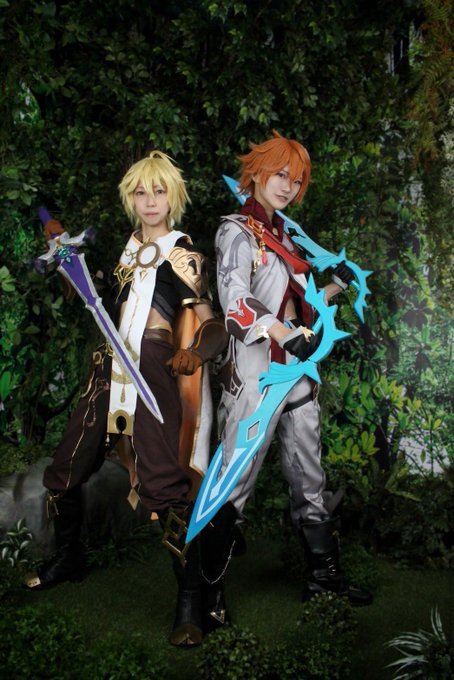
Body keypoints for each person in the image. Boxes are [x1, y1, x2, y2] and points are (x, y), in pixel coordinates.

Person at [24, 151, 228, 648]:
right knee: (65, 469)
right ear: (130, 199)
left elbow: (215, 325)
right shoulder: (127, 252)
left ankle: (189, 600)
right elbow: (99, 303)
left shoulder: (183, 253)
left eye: (159, 191)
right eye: (141, 192)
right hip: (107, 372)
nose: (150, 201)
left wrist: (195, 354)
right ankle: (69, 557)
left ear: (173, 197)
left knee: (168, 489)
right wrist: (68, 267)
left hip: (154, 373)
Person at [201, 131, 371, 631]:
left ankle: (323, 577)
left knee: (309, 478)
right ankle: (208, 593)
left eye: (295, 181)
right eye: (280, 175)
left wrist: (335, 285)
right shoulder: (235, 231)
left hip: (297, 375)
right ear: (256, 173)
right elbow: (234, 299)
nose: (288, 187)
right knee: (234, 482)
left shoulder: (288, 238)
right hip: (256, 378)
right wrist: (280, 333)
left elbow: (302, 305)